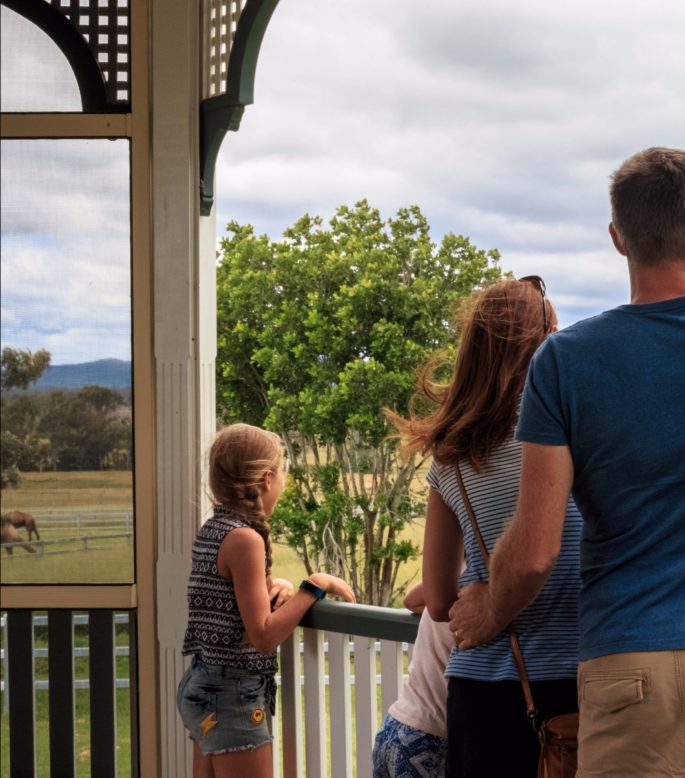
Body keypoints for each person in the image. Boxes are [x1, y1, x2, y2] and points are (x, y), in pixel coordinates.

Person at [452, 147, 685, 776]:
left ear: (618, 238)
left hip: (628, 666)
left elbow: (535, 551)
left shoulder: (565, 361)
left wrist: (490, 609)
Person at [387, 278, 583, 777]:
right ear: (547, 339)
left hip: (478, 692)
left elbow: (437, 599)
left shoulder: (451, 457)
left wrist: (486, 588)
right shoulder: (574, 431)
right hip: (574, 686)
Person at [178, 423, 355, 778]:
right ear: (266, 479)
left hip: (204, 685)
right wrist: (313, 586)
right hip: (231, 695)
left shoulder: (214, 529)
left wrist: (280, 590)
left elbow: (237, 606)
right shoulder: (245, 539)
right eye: (283, 475)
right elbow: (262, 636)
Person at [372, 584, 451, 777]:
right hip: (429, 738)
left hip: (396, 728)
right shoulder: (484, 600)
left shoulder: (454, 578)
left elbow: (412, 600)